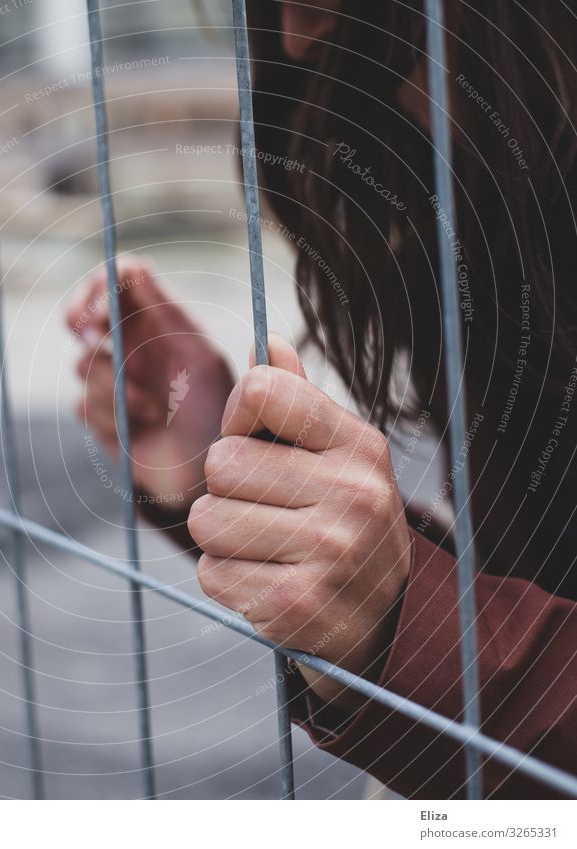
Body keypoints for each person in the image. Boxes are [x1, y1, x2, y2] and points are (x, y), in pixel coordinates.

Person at [67, 1, 577, 799]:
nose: (296, 41)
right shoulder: (493, 229)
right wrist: (225, 468)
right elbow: (531, 578)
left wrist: (406, 622)